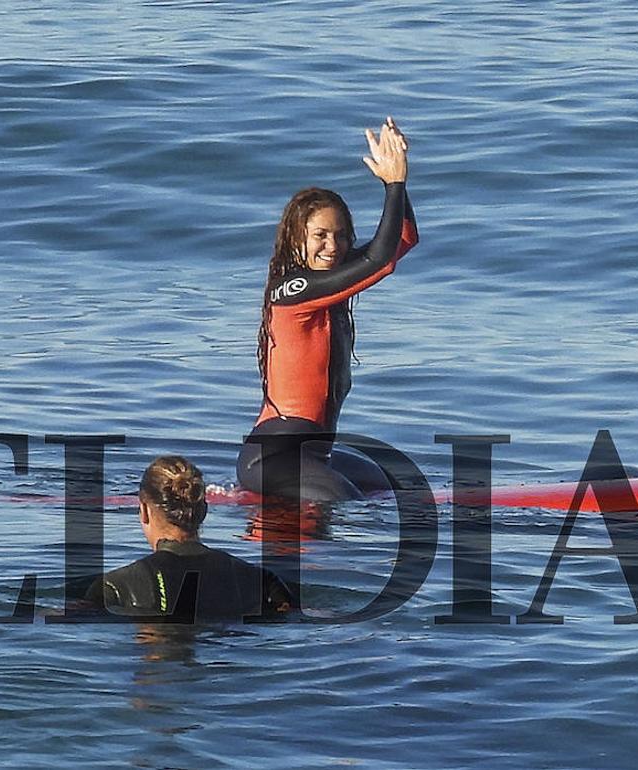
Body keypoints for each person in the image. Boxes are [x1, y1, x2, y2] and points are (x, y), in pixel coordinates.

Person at [236, 117, 418, 501]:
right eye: (320, 236)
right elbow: (382, 261)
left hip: (317, 455)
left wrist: (399, 178)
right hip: (271, 458)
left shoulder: (330, 288)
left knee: (402, 489)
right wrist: (394, 184)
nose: (332, 246)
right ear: (296, 242)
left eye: (340, 236)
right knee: (349, 505)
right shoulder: (292, 292)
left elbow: (403, 240)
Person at [87, 455, 294, 619]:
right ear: (204, 509)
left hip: (158, 662)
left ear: (144, 509)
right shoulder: (261, 581)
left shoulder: (116, 586)